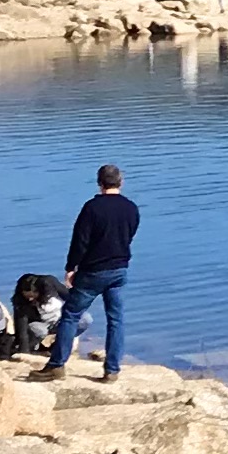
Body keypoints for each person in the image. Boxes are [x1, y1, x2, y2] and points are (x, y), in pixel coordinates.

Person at [36, 163, 139, 381]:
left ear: (100, 183)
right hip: (119, 270)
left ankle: (57, 365)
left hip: (93, 271)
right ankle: (112, 370)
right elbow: (129, 235)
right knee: (116, 319)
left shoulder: (92, 208)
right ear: (121, 182)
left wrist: (71, 267)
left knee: (71, 315)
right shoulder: (131, 208)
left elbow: (80, 242)